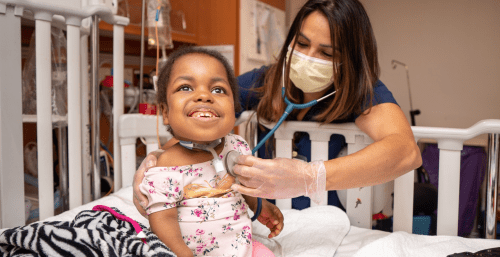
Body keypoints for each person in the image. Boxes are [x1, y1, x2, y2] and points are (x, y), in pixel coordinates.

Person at [133, 0, 422, 214]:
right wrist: (159, 161)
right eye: (302, 43)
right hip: (270, 215)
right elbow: (200, 116)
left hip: (336, 218)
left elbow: (405, 151)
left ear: (350, 60)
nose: (309, 57)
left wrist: (308, 177)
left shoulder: (361, 90)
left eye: (327, 52)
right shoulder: (264, 81)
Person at [140, 47, 282, 257]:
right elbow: (162, 219)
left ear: (234, 109)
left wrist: (260, 206)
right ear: (165, 113)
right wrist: (182, 254)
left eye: (218, 90)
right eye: (186, 87)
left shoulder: (237, 147)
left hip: (242, 249)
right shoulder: (166, 165)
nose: (204, 96)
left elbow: (244, 187)